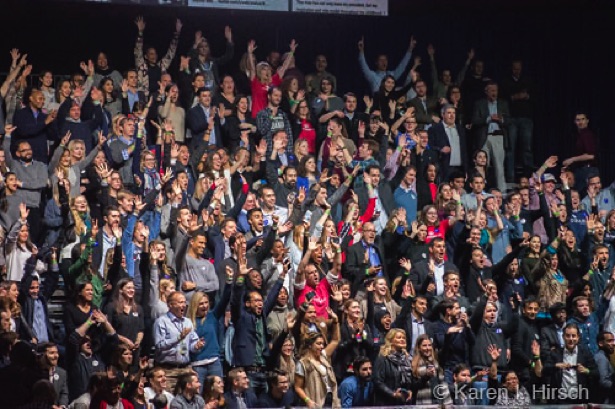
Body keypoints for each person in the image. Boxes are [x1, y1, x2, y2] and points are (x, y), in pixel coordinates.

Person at [153, 291, 205, 391]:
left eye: (184, 302)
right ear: (170, 305)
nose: (184, 305)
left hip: (185, 369)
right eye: (180, 302)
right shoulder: (161, 322)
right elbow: (159, 346)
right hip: (168, 371)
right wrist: (178, 338)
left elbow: (192, 344)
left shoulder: (187, 321)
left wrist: (196, 345)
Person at [542, 323, 597, 403]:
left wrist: (586, 370)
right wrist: (556, 365)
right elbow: (544, 370)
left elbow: (596, 374)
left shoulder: (585, 353)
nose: (571, 339)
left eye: (573, 336)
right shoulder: (556, 353)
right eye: (568, 336)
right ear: (563, 337)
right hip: (560, 399)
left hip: (580, 398)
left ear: (578, 337)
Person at [294, 317, 342, 409]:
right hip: (315, 401)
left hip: (331, 400)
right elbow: (298, 387)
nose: (322, 346)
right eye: (318, 343)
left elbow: (335, 340)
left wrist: (336, 322)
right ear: (310, 345)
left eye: (322, 344)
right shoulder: (303, 363)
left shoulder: (323, 356)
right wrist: (307, 401)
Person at [471, 81, 510, 191]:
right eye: (492, 90)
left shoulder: (503, 103)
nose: (494, 93)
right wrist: (488, 119)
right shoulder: (479, 103)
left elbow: (509, 121)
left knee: (499, 166)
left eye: (496, 90)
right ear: (486, 91)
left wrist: (501, 119)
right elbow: (475, 120)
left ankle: (502, 192)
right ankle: (481, 191)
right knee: (482, 166)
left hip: (498, 137)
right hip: (484, 137)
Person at [372, 328, 413, 406]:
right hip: (386, 402)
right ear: (391, 341)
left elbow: (409, 381)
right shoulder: (383, 358)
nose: (402, 340)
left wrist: (409, 391)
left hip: (403, 402)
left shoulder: (407, 359)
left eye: (404, 338)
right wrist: (393, 394)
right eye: (399, 337)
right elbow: (378, 381)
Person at [428, 104, 468, 181]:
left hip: (459, 169)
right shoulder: (435, 129)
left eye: (454, 113)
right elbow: (429, 146)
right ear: (443, 115)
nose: (452, 115)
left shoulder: (461, 129)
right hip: (444, 168)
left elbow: (464, 151)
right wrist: (440, 150)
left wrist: (466, 169)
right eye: (449, 113)